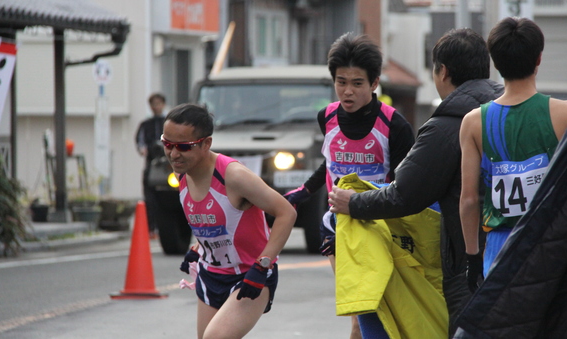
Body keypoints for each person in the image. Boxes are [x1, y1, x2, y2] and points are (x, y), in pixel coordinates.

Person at [328, 28, 503, 335]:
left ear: (442, 71)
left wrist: (353, 203)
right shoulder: (512, 114)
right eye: (341, 82)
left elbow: (404, 195)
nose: (347, 90)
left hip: (470, 261)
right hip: (525, 251)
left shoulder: (446, 126)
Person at [284, 32, 415, 339]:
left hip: (379, 228)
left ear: (374, 83)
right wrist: (301, 193)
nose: (348, 91)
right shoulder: (326, 117)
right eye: (341, 82)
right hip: (337, 227)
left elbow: (406, 183)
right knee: (361, 311)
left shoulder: (395, 125)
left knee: (374, 312)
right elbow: (328, 162)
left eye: (357, 83)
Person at [459, 17, 567, 291]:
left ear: (496, 62)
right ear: (538, 59)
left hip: (499, 249)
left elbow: (468, 200)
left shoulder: (474, 122)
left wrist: (472, 257)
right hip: (551, 244)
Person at [162, 103, 296, 339]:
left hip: (249, 276)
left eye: (183, 146)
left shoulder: (233, 176)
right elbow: (219, 223)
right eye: (167, 144)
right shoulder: (182, 171)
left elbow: (286, 213)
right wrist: (199, 248)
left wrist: (262, 265)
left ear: (206, 144)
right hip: (212, 274)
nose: (173, 154)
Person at [135, 92, 167, 239]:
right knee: (149, 197)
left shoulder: (169, 122)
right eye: (154, 104)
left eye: (159, 103)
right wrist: (144, 150)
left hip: (168, 165)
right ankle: (151, 228)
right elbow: (140, 143)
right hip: (151, 164)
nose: (156, 107)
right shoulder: (145, 124)